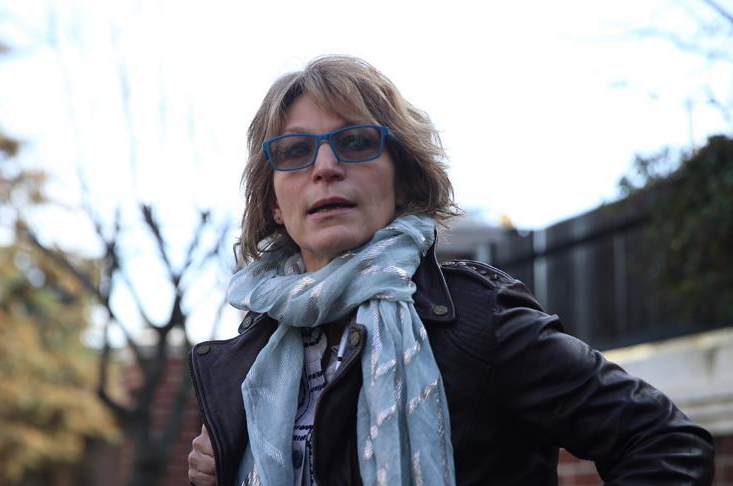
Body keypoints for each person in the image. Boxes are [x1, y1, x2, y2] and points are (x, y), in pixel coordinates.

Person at [187, 55, 715, 485]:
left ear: (402, 178)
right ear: (274, 203)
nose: (325, 168)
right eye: (296, 151)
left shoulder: (477, 321)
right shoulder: (251, 355)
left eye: (356, 142)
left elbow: (666, 444)